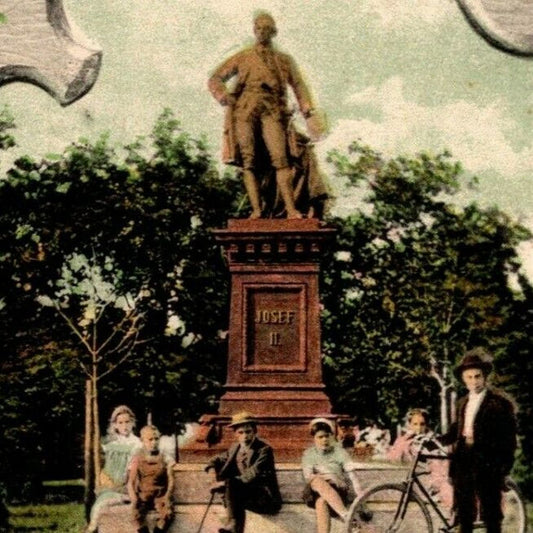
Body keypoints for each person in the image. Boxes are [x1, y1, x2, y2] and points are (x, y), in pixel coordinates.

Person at [208, 11, 328, 219]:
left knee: (280, 158)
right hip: (245, 110)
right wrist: (224, 96)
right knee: (248, 161)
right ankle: (257, 210)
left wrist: (308, 110)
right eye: (259, 28)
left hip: (273, 109)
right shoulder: (243, 57)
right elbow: (216, 78)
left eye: (267, 28)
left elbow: (299, 86)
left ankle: (291, 210)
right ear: (254, 31)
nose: (262, 32)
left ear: (274, 32)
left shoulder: (284, 60)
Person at [442, 347, 517, 533]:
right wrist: (434, 440)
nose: (474, 381)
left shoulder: (497, 404)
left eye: (478, 376)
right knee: (464, 511)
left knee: (491, 512)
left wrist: (504, 468)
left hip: (487, 462)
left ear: (484, 377)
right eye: (469, 377)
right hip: (463, 460)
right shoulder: (462, 403)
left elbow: (508, 439)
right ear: (463, 379)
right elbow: (455, 431)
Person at [206, 411, 282, 533]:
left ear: (254, 431)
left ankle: (232, 523)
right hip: (242, 496)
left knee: (232, 484)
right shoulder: (235, 448)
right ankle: (234, 525)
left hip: (264, 498)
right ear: (235, 434)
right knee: (235, 495)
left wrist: (224, 484)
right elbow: (215, 460)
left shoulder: (264, 450)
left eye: (248, 432)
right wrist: (212, 474)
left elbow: (252, 473)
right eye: (240, 432)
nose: (245, 436)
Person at [301, 418, 367, 533]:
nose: (324, 440)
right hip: (313, 491)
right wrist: (332, 477)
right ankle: (348, 519)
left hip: (337, 492)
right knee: (317, 480)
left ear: (332, 436)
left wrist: (362, 504)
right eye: (320, 437)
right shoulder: (309, 454)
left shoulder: (340, 452)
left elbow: (353, 478)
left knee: (322, 502)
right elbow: (308, 476)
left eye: (327, 436)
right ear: (314, 439)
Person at [86, 405, 142, 533]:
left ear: (133, 423)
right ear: (115, 425)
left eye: (127, 422)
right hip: (111, 484)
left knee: (101, 505)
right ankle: (93, 527)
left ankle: (91, 529)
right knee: (100, 502)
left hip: (128, 485)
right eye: (120, 423)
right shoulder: (111, 445)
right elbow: (105, 466)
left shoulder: (137, 444)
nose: (124, 426)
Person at [387, 408, 453, 515]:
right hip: (412, 481)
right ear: (409, 424)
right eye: (415, 424)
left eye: (422, 424)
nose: (419, 428)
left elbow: (440, 462)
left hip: (435, 479)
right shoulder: (404, 439)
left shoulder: (432, 440)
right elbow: (393, 457)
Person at [128, 425, 175, 533]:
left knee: (167, 513)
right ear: (142, 440)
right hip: (143, 495)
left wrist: (167, 497)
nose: (154, 442)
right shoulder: (137, 457)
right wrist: (133, 498)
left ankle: (158, 531)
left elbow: (171, 480)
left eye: (156, 439)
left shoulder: (165, 457)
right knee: (135, 514)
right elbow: (131, 482)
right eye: (150, 439)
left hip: (160, 495)